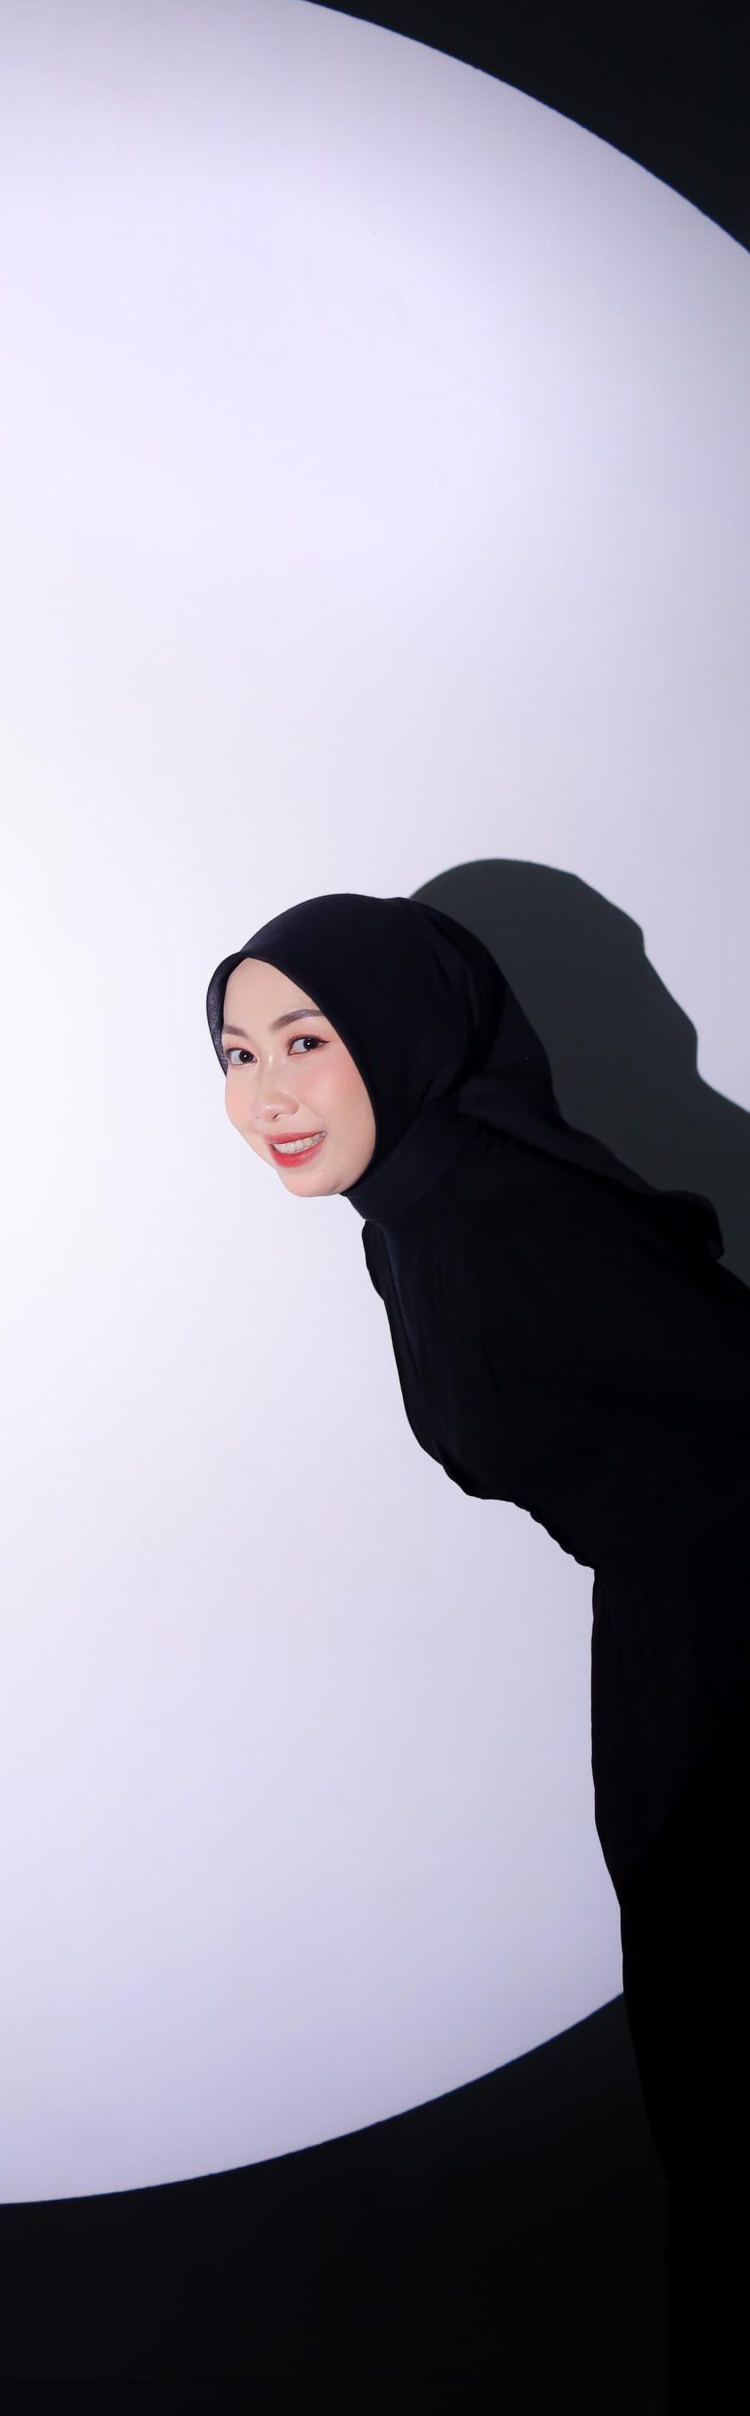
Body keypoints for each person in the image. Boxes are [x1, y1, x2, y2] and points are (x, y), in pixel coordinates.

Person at [205, 892, 750, 2410]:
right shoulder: (421, 1217)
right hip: (674, 1640)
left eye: (305, 1042)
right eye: (237, 1054)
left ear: (400, 1033)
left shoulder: (510, 1220)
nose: (265, 1096)